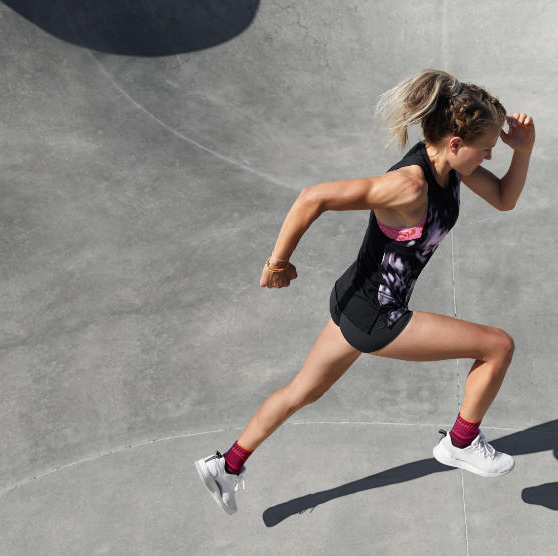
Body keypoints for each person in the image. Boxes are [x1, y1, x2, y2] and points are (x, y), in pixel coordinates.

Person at [194, 69, 535, 515]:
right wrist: (277, 263)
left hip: (353, 301)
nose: (490, 156)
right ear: (455, 142)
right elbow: (312, 197)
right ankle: (461, 442)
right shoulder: (408, 185)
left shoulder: (450, 167)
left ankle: (226, 465)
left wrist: (523, 152)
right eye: (486, 149)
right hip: (378, 316)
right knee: (497, 346)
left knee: (301, 391)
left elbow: (505, 198)